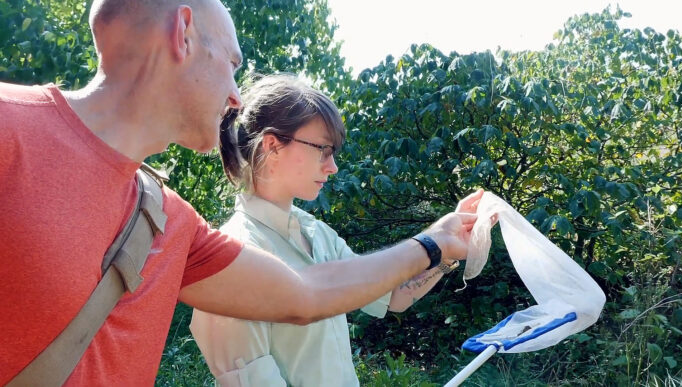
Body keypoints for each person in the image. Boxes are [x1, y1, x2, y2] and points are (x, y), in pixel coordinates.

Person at [0, 0, 482, 385]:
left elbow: (306, 293)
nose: (236, 95)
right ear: (182, 33)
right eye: (232, 63)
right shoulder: (9, 126)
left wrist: (440, 245)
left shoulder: (169, 220)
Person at [190, 74, 482, 386]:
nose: (333, 166)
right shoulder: (233, 259)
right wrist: (435, 243)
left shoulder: (317, 232)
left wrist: (446, 247)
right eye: (322, 149)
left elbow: (392, 295)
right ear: (273, 146)